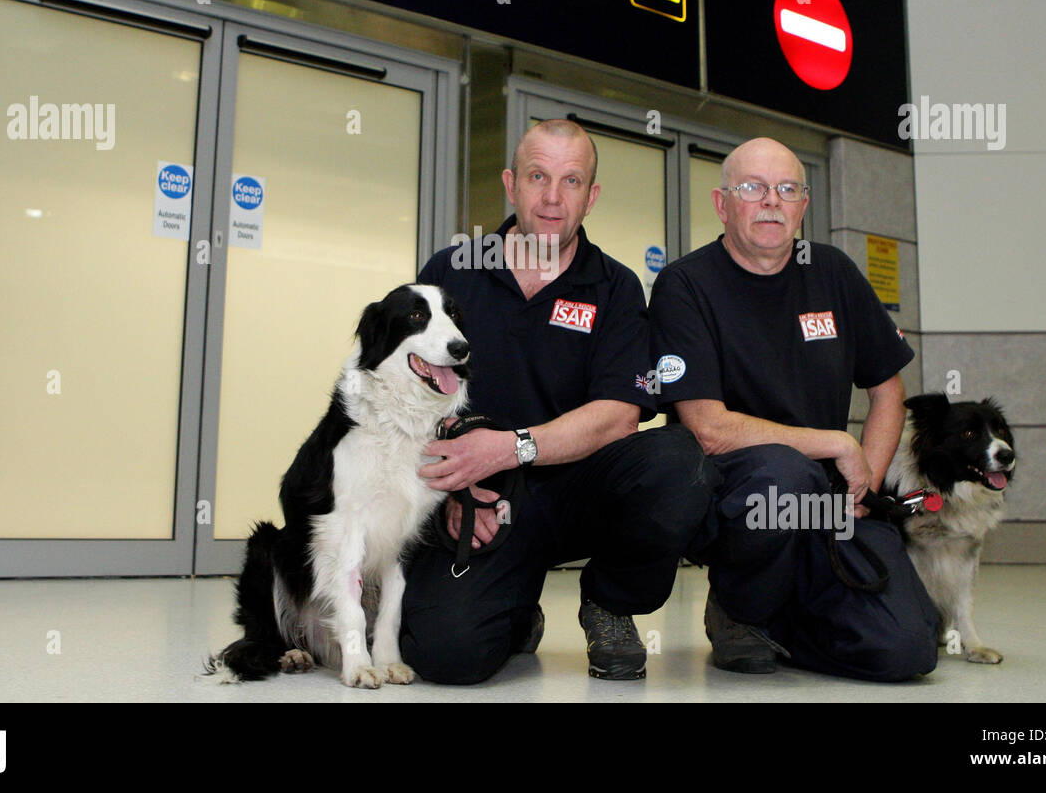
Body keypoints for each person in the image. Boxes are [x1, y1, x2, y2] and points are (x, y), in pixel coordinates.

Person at [400, 119, 708, 684]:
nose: (551, 197)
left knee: (679, 460)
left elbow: (618, 415)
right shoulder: (450, 272)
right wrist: (448, 486)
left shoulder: (615, 287)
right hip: (479, 495)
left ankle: (610, 602)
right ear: (510, 183)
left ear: (590, 197)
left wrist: (510, 448)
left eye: (570, 181)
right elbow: (406, 398)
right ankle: (516, 614)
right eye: (538, 176)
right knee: (446, 654)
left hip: (577, 490)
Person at [648, 136, 939, 681]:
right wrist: (836, 443)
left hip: (830, 504)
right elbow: (708, 429)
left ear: (804, 205)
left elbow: (888, 391)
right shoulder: (686, 285)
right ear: (721, 203)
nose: (771, 202)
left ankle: (779, 618)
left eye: (786, 189)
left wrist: (865, 489)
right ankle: (739, 606)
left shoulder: (833, 273)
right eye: (753, 189)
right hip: (740, 498)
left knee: (910, 652)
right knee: (783, 471)